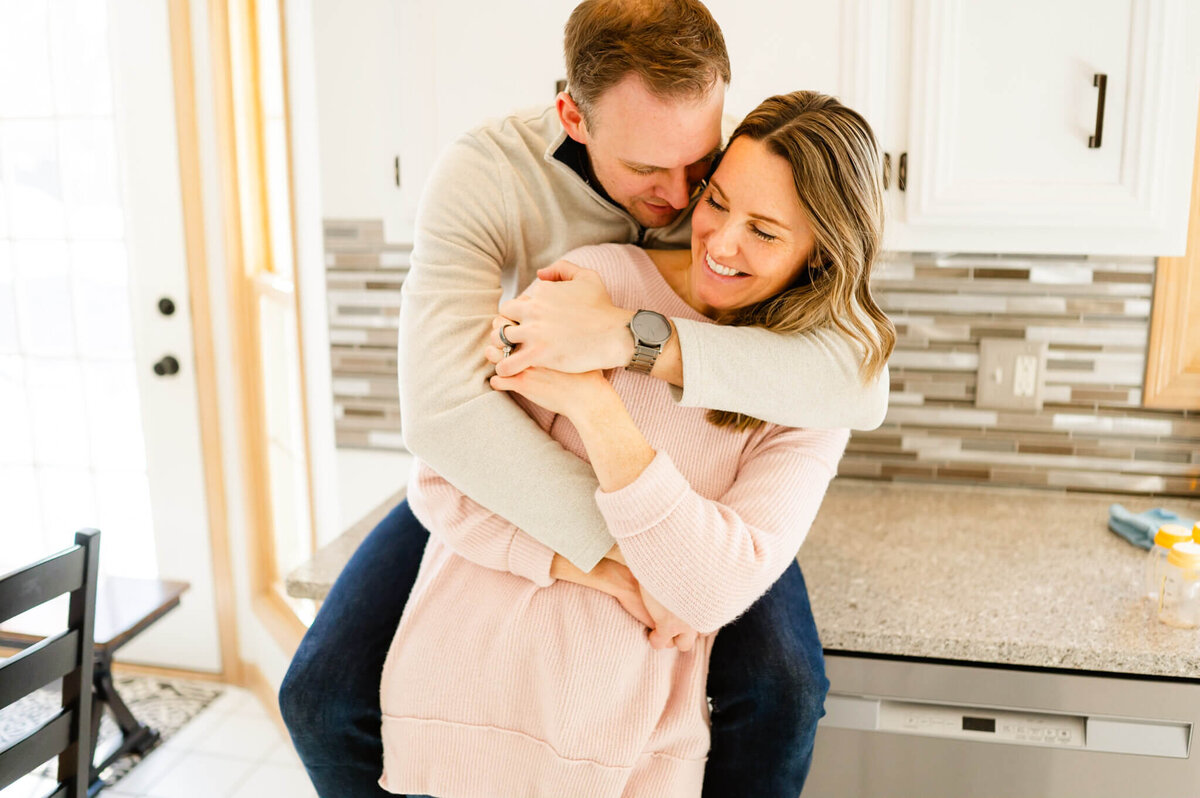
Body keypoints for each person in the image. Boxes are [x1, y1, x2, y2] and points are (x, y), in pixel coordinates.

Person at [279, 2, 889, 796]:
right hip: (516, 445)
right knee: (320, 695)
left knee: (783, 692)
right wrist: (615, 562)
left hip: (699, 484)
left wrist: (626, 341)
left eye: (697, 169)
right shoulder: (484, 175)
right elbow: (441, 416)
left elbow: (856, 383)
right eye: (647, 172)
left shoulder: (749, 171)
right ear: (574, 115)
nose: (682, 200)